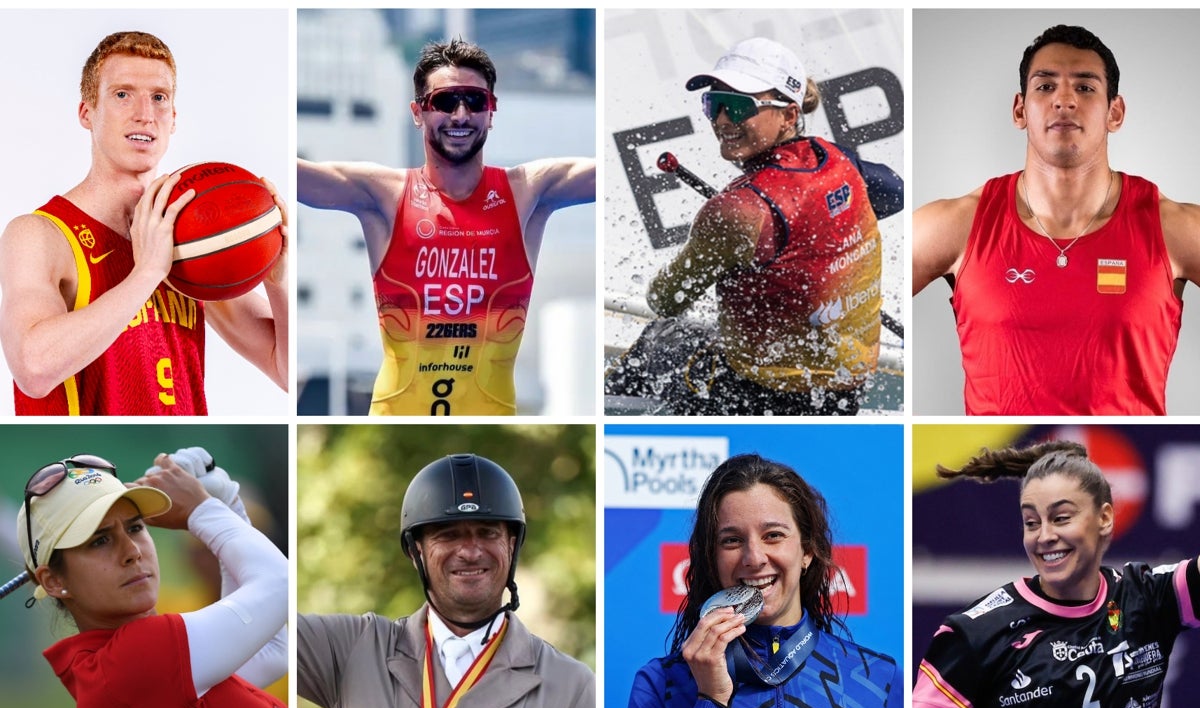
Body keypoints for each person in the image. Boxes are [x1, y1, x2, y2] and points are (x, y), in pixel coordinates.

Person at [912, 24, 1200, 416]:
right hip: (1003, 472)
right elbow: (857, 281)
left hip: (1120, 468)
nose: (1064, 100)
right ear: (1020, 109)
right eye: (1046, 87)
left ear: (1114, 112)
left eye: (1085, 87)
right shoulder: (957, 225)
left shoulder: (1173, 228)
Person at [298, 38, 596, 416]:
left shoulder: (528, 192)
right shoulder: (384, 195)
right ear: (418, 112)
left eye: (474, 101)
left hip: (491, 429)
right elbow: (293, 176)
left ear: (491, 111)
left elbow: (612, 168)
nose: (460, 115)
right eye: (444, 101)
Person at [297, 453, 596, 708]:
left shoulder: (569, 682)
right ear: (415, 550)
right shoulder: (353, 648)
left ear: (512, 545)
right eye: (448, 534)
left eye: (487, 533)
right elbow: (254, 618)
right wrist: (221, 514)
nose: (470, 551)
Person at [912, 441, 1199, 708]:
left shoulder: (1150, 596)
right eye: (1031, 522)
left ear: (1105, 518)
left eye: (1061, 518)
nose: (1043, 536)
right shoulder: (976, 631)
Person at [0, 31, 289, 416]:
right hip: (88, 463)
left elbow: (284, 370)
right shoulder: (39, 234)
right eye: (122, 94)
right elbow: (33, 370)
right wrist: (147, 273)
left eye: (159, 97)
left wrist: (278, 281)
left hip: (177, 454)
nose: (145, 113)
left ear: (173, 119)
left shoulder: (194, 237)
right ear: (87, 112)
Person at [623, 454, 902, 708]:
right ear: (711, 558)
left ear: (806, 551)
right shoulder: (663, 683)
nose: (754, 558)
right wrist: (709, 702)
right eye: (732, 540)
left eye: (773, 535)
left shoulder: (877, 679)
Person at [14, 447, 288, 708]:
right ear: (54, 581)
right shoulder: (132, 662)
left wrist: (225, 504)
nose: (132, 552)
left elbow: (275, 648)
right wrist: (203, 510)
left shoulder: (137, 662)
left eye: (135, 527)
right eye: (99, 541)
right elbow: (280, 585)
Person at [629, 38, 902, 416]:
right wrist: (822, 234)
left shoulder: (737, 210)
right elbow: (896, 192)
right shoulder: (837, 159)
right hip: (845, 395)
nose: (723, 120)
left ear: (789, 115)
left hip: (754, 398)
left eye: (740, 106)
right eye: (715, 104)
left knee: (657, 339)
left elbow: (666, 300)